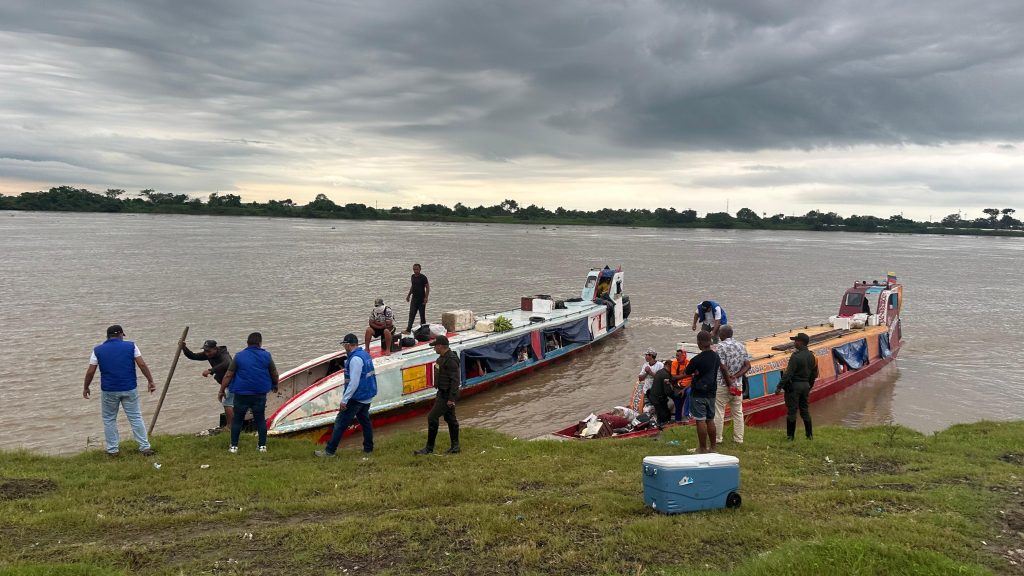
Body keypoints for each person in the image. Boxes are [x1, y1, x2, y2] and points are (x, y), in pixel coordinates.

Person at [83, 325, 157, 456]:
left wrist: (86, 387)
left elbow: (90, 371)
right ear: (121, 335)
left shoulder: (98, 350)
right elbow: (142, 364)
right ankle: (144, 447)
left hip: (109, 390)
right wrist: (150, 381)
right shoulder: (131, 346)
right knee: (135, 417)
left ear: (108, 336)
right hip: (129, 388)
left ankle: (113, 450)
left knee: (109, 419)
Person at [315, 333, 378, 457]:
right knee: (365, 422)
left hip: (357, 397)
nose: (344, 347)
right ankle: (368, 448)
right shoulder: (364, 355)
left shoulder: (355, 359)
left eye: (344, 345)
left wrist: (345, 400)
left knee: (340, 423)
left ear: (349, 345)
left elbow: (354, 383)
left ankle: (329, 451)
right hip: (367, 396)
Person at [219, 332, 278, 453]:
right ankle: (262, 447)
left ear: (247, 343)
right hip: (259, 393)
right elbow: (274, 373)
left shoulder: (239, 356)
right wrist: (275, 384)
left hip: (241, 394)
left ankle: (234, 447)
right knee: (260, 419)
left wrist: (221, 390)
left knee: (237, 420)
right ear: (260, 343)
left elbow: (229, 374)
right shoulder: (266, 356)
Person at [414, 335, 461, 455]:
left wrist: (451, 398)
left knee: (432, 417)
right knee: (450, 419)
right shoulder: (443, 358)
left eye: (435, 346)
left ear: (440, 346)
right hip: (442, 392)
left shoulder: (450, 360)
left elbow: (455, 381)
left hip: (446, 395)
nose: (434, 348)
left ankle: (429, 448)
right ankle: (455, 447)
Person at [684, 331, 725, 454]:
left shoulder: (697, 359)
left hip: (698, 393)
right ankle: (713, 448)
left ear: (699, 343)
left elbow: (687, 372)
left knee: (700, 420)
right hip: (712, 392)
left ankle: (702, 448)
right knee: (710, 420)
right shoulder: (716, 356)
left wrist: (696, 372)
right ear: (710, 342)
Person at [774, 332, 818, 440]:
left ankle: (790, 437)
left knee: (792, 412)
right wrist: (809, 386)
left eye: (796, 341)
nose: (794, 342)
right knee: (805, 410)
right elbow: (814, 374)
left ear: (801, 342)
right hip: (806, 386)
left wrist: (779, 387)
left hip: (794, 387)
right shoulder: (812, 356)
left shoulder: (795, 357)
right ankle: (809, 435)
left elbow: (788, 374)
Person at [181, 339, 233, 428]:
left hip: (234, 381)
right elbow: (193, 356)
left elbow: (227, 363)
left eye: (209, 351)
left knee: (227, 403)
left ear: (215, 349)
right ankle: (233, 425)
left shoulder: (223, 354)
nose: (207, 353)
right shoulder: (208, 354)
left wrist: (211, 370)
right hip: (225, 383)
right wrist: (184, 348)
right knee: (232, 404)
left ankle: (230, 427)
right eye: (205, 351)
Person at [713, 325, 751, 445]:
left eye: (719, 333)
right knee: (738, 412)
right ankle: (739, 439)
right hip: (738, 385)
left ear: (723, 335)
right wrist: (736, 376)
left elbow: (722, 367)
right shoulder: (741, 346)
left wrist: (729, 383)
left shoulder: (720, 347)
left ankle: (718, 439)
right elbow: (747, 365)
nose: (718, 335)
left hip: (722, 385)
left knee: (719, 411)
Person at [647, 359, 677, 427]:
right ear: (669, 366)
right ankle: (662, 427)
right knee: (665, 416)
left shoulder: (659, 372)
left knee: (660, 414)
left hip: (653, 396)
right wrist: (675, 397)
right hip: (658, 399)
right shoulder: (665, 375)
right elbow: (667, 391)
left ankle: (659, 424)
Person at [404, 263, 430, 334]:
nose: (415, 271)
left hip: (421, 299)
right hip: (414, 299)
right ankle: (408, 330)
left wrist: (426, 297)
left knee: (422, 316)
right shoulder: (412, 276)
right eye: (414, 269)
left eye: (417, 269)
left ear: (420, 269)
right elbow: (412, 287)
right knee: (411, 314)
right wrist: (408, 295)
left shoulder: (423, 277)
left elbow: (427, 287)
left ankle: (424, 331)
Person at [668, 344, 691, 421]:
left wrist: (684, 389)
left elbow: (693, 379)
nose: (677, 358)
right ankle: (678, 420)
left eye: (679, 356)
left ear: (684, 356)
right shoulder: (674, 363)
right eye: (676, 356)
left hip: (688, 386)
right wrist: (686, 375)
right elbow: (673, 377)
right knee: (678, 400)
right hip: (678, 385)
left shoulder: (690, 364)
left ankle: (686, 414)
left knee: (689, 393)